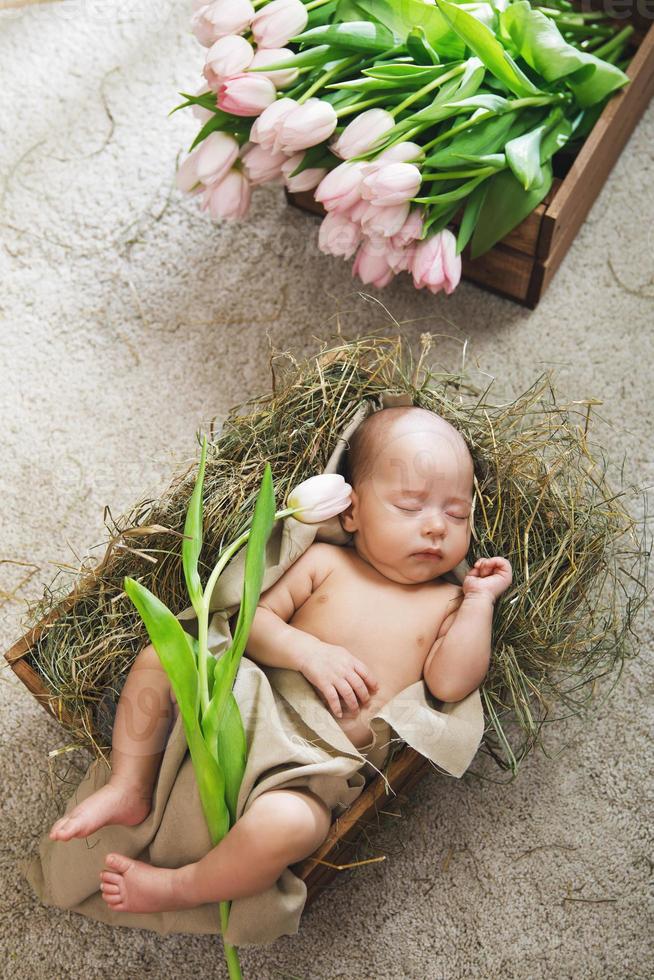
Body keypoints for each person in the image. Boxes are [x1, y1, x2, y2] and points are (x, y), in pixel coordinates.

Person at [48, 406, 512, 916]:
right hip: (245, 703)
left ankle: (182, 886)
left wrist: (479, 602)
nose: (434, 529)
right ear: (351, 512)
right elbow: (252, 622)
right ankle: (130, 784)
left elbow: (451, 683)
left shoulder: (445, 603)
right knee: (163, 655)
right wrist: (308, 651)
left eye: (456, 514)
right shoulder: (325, 563)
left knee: (291, 827)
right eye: (409, 506)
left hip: (314, 766)